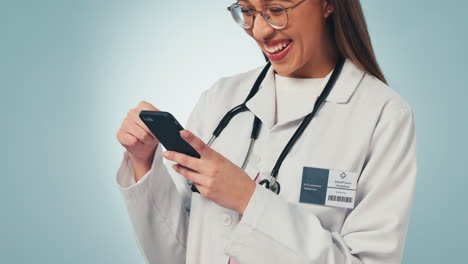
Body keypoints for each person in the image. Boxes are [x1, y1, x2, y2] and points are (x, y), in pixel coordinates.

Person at [115, 0, 418, 263]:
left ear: (328, 4)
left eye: (276, 9)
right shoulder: (221, 99)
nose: (260, 31)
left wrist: (248, 199)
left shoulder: (383, 116)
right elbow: (179, 255)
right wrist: (143, 162)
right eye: (247, 11)